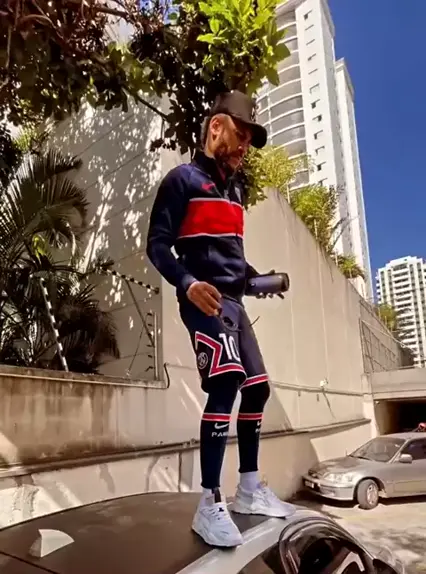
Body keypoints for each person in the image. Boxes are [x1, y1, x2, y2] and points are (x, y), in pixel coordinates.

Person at [146, 90, 295, 548]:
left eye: (249, 139)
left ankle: (248, 490)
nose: (245, 146)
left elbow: (231, 260)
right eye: (241, 134)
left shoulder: (234, 191)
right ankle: (209, 502)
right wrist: (188, 282)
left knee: (258, 387)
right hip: (203, 300)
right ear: (216, 127)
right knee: (227, 381)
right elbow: (157, 245)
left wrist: (258, 280)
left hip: (234, 303)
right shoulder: (181, 180)